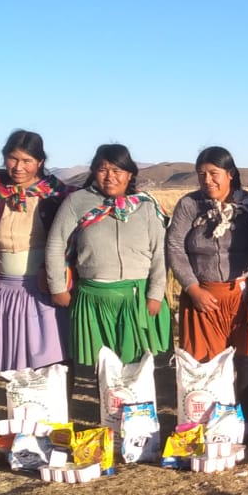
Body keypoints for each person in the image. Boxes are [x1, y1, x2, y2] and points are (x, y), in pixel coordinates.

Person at [45, 144, 171, 412]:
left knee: (137, 364)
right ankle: (109, 418)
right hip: (94, 296)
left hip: (137, 296)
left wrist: (155, 293)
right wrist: (57, 287)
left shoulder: (146, 206)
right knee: (102, 365)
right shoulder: (77, 202)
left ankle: (138, 418)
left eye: (117, 170)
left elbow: (159, 251)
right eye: (103, 169)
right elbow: (56, 244)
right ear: (94, 171)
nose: (110, 176)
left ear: (129, 174)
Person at [165, 145, 248, 434]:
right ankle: (212, 423)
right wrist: (192, 288)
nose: (207, 180)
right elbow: (174, 247)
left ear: (231, 174)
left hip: (244, 293)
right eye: (201, 174)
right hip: (202, 295)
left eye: (214, 173)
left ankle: (246, 421)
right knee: (206, 362)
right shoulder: (189, 205)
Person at [0, 131, 71, 374]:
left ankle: (57, 398)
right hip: (4, 290)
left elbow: (71, 241)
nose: (19, 167)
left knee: (53, 360)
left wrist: (51, 273)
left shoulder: (57, 196)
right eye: (13, 159)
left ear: (40, 162)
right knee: (11, 361)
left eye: (27, 160)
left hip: (45, 289)